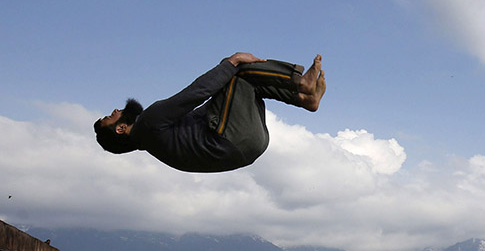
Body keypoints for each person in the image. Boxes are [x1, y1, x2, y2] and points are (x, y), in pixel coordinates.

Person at [94, 52, 326, 172]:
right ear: (121, 128)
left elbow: (206, 110)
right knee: (239, 71)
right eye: (109, 117)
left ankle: (305, 99)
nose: (114, 110)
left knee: (245, 85)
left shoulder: (157, 144)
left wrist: (223, 85)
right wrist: (230, 61)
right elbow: (195, 94)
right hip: (232, 138)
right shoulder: (149, 123)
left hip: (249, 146)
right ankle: (299, 83)